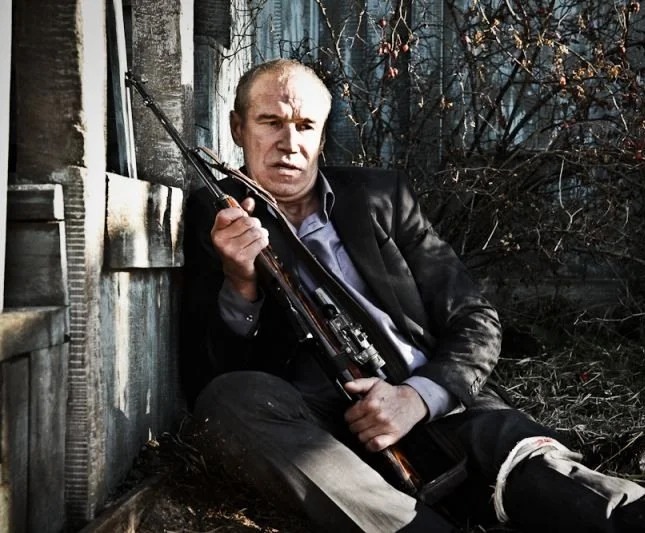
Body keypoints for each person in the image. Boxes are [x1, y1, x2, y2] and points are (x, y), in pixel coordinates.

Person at [180, 58, 645, 532]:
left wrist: (417, 397)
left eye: (305, 126)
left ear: (322, 136)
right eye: (271, 122)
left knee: (550, 479)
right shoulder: (215, 214)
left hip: (438, 407)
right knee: (229, 401)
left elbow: (474, 317)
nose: (289, 143)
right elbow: (207, 374)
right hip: (327, 435)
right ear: (237, 128)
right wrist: (240, 283)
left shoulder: (382, 196)